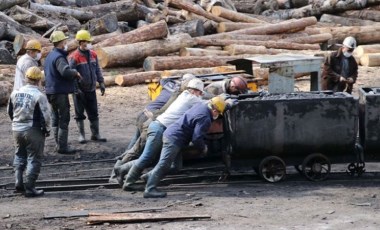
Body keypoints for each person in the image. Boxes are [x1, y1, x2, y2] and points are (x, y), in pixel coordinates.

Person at [116, 78, 204, 190]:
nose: (200, 95)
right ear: (195, 91)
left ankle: (141, 175)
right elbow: (206, 104)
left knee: (174, 166)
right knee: (147, 157)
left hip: (165, 130)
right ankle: (128, 181)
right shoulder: (192, 99)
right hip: (159, 128)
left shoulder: (184, 94)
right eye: (200, 92)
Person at [143, 96, 226, 198]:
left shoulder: (202, 105)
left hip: (174, 136)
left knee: (175, 167)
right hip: (173, 139)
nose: (217, 116)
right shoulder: (205, 118)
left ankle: (149, 176)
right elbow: (197, 138)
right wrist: (203, 148)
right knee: (164, 164)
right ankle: (150, 189)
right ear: (214, 110)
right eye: (218, 113)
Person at [7, 66, 51, 197]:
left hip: (16, 128)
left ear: (26, 78)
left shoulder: (15, 92)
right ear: (39, 80)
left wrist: (16, 123)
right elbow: (46, 115)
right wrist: (47, 130)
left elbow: (10, 111)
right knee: (34, 158)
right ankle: (30, 188)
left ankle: (18, 181)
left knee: (19, 154)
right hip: (32, 129)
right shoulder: (39, 95)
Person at [44, 31, 81, 154]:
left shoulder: (50, 55)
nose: (66, 44)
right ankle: (62, 146)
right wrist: (75, 72)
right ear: (61, 43)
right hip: (59, 92)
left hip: (50, 91)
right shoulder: (59, 57)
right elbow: (65, 72)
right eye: (65, 42)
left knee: (55, 117)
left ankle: (58, 144)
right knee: (64, 118)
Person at [68, 30, 106, 144]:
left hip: (91, 89)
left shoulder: (93, 54)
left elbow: (97, 69)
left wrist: (101, 82)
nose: (89, 44)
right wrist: (75, 89)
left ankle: (95, 134)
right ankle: (81, 135)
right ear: (81, 42)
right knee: (79, 114)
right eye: (87, 42)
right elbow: (71, 74)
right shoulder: (74, 57)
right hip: (79, 90)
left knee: (93, 112)